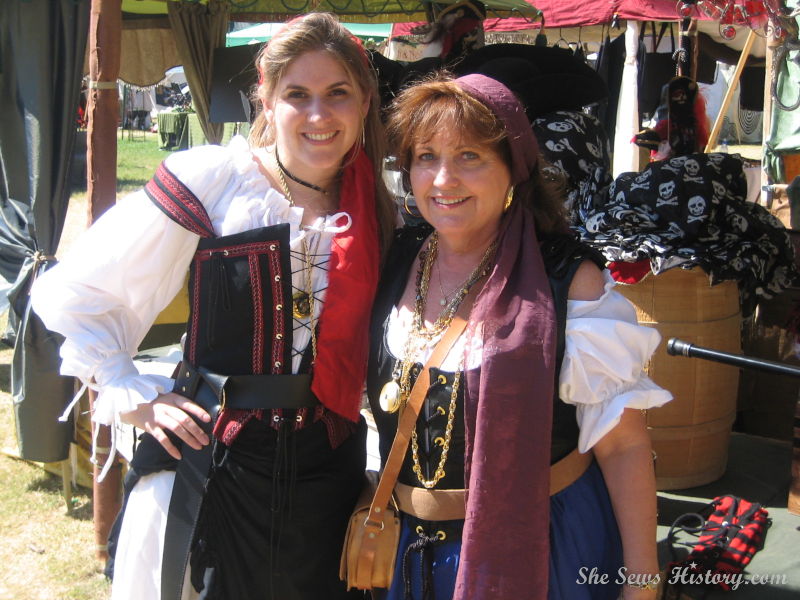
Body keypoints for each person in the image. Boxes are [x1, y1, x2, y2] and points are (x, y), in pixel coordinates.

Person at [31, 13, 395, 600]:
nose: (319, 115)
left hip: (330, 474)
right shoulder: (217, 181)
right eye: (296, 95)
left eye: (338, 94)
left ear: (364, 102)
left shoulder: (377, 206)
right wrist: (133, 389)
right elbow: (78, 291)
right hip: (216, 463)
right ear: (266, 100)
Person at [367, 73, 673, 600]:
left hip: (544, 549)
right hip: (410, 554)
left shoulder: (568, 282)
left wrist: (642, 582)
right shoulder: (399, 257)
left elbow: (622, 445)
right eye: (425, 156)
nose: (443, 179)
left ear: (514, 168)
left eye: (470, 157)